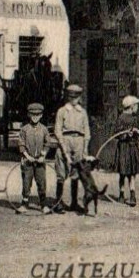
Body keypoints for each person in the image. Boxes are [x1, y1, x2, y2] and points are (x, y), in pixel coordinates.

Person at [53, 83, 90, 213]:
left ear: (79, 97)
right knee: (61, 172)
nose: (74, 99)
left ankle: (74, 203)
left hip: (79, 141)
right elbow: (57, 130)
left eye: (76, 97)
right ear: (68, 97)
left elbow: (87, 132)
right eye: (71, 96)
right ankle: (58, 203)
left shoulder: (82, 112)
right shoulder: (62, 111)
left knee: (76, 173)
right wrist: (63, 148)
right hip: (65, 140)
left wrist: (85, 149)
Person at [17, 101, 51, 214]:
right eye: (32, 114)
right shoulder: (24, 129)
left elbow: (47, 143)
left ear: (41, 115)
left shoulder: (44, 129)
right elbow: (21, 144)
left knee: (41, 182)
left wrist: (43, 155)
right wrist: (27, 156)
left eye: (37, 115)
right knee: (26, 182)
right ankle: (24, 204)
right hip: (28, 161)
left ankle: (43, 205)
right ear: (28, 115)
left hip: (40, 161)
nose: (35, 117)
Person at [113, 95, 139, 206]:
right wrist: (126, 133)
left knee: (132, 173)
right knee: (123, 172)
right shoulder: (121, 118)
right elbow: (116, 133)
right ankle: (121, 194)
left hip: (132, 147)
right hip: (124, 148)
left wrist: (138, 131)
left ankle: (132, 195)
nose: (137, 107)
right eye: (136, 105)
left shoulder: (135, 118)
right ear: (131, 106)